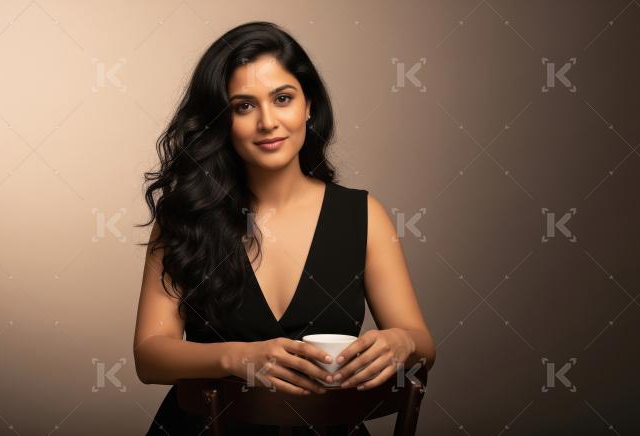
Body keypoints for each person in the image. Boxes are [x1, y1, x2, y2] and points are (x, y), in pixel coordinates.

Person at [134, 21, 436, 435]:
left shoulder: (363, 214)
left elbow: (422, 342)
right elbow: (149, 357)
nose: (268, 122)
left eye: (282, 98)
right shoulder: (183, 217)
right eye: (244, 106)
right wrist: (237, 358)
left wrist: (402, 342)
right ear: (222, 121)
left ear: (308, 105)